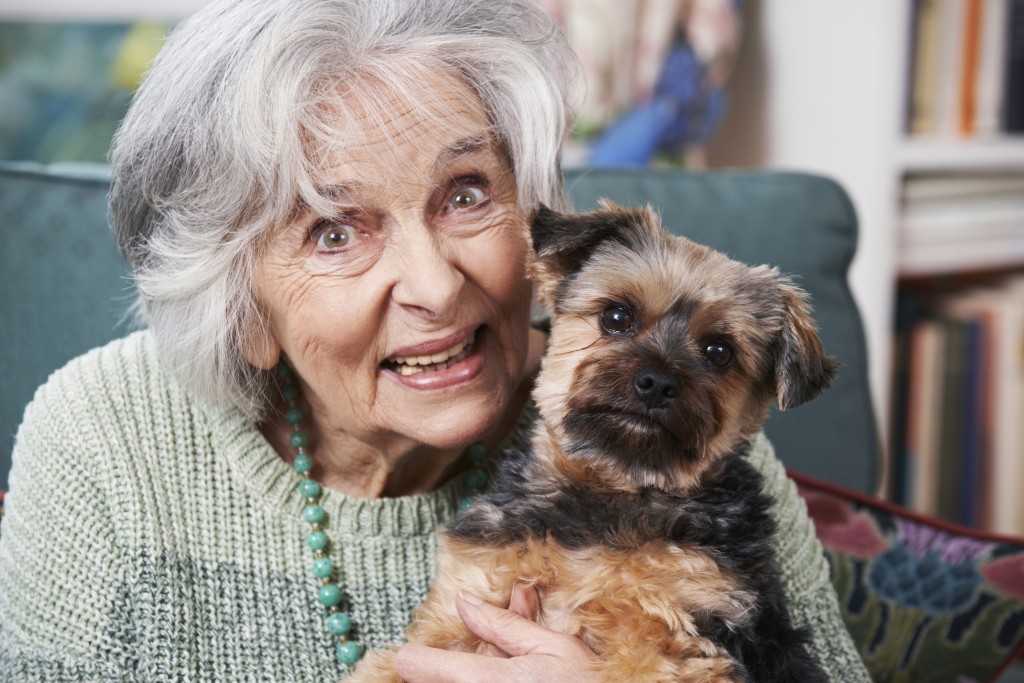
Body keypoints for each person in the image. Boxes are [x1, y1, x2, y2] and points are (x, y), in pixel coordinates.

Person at [0, 0, 870, 680]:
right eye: (335, 230)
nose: (435, 286)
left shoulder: (691, 456)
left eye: (464, 193)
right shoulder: (102, 437)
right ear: (243, 305)